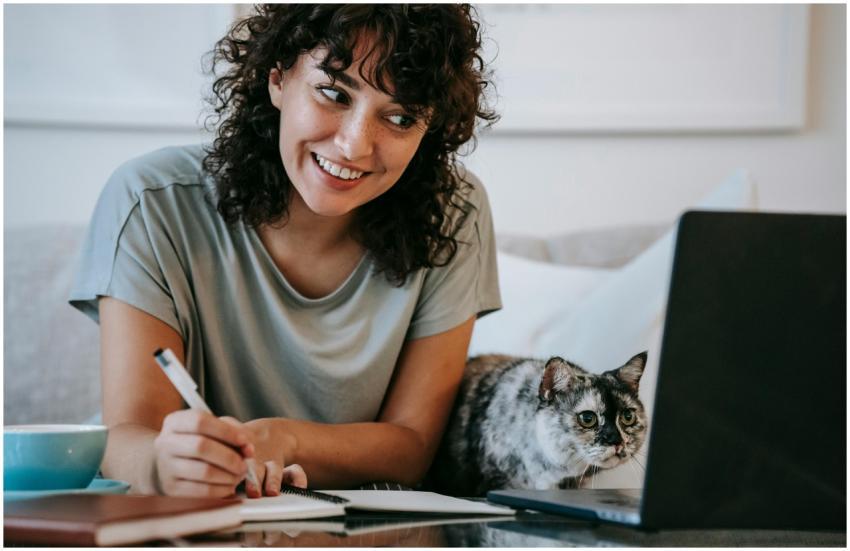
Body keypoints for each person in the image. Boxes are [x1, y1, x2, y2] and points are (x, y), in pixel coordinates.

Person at [69, 4, 500, 498]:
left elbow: (412, 446)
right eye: (333, 93)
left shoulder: (455, 212)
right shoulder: (151, 201)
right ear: (277, 79)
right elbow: (128, 436)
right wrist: (162, 465)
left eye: (400, 117)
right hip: (174, 516)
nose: (354, 145)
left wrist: (285, 440)